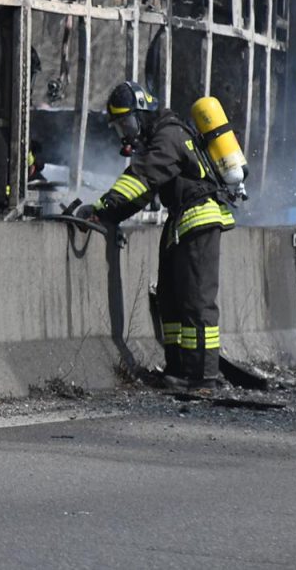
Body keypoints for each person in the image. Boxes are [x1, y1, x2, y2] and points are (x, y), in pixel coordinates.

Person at [76, 81, 235, 389]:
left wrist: (105, 205)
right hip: (181, 221)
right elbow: (139, 193)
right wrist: (107, 214)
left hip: (198, 220)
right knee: (171, 298)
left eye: (128, 123)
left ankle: (202, 375)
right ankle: (178, 369)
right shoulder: (162, 136)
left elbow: (144, 176)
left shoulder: (169, 135)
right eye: (120, 126)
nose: (126, 132)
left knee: (195, 301)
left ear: (143, 113)